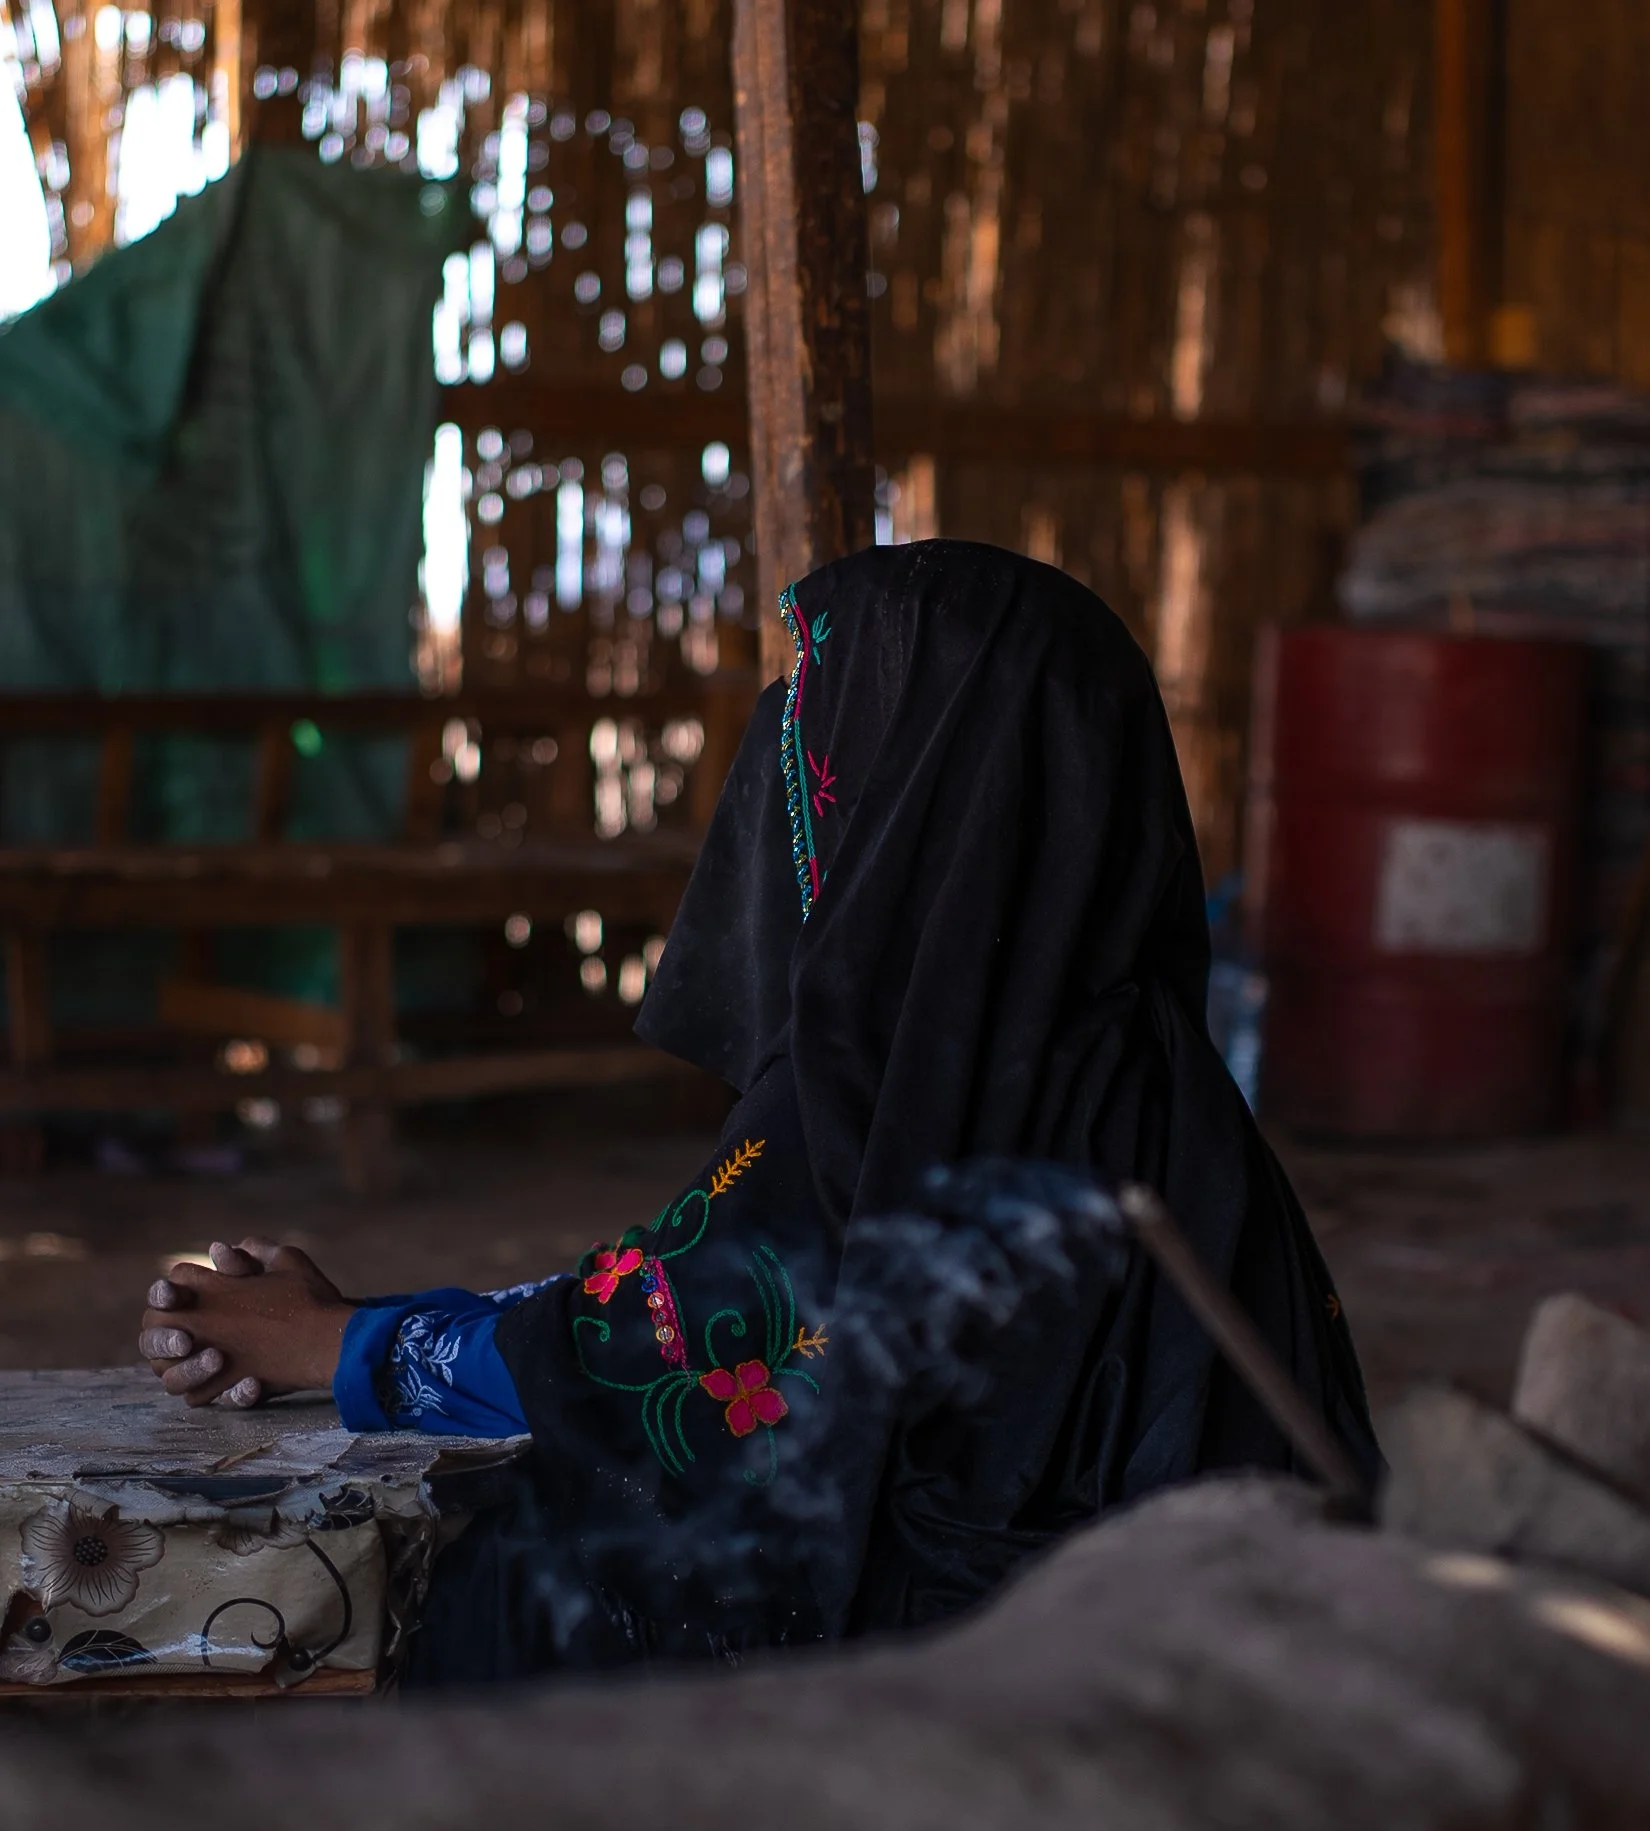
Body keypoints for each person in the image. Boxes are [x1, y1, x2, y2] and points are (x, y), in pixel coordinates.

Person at [136, 541, 1380, 1678]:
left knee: (517, 1586)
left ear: (912, 789)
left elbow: (652, 1361)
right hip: (1242, 1653)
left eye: (829, 724)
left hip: (1030, 1698)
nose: (790, 758)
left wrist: (337, 1344)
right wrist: (375, 1323)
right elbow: (691, 1307)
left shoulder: (913, 1094)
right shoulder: (1161, 1082)